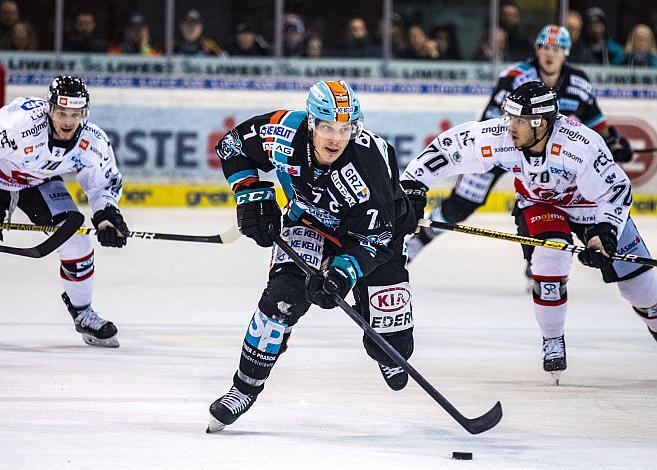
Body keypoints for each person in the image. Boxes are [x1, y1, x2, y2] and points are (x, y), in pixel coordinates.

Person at [400, 81, 657, 382]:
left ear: (541, 124)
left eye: (520, 120)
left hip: (591, 208)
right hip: (539, 203)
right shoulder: (501, 136)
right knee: (550, 256)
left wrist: (605, 233)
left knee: (640, 289)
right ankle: (552, 338)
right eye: (510, 117)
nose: (511, 126)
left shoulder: (579, 144)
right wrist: (412, 187)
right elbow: (450, 147)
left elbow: (615, 190)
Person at [207, 80, 416, 431]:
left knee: (392, 347)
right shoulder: (280, 132)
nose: (335, 138)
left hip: (376, 236)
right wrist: (250, 195)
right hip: (308, 222)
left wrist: (341, 271)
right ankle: (243, 388)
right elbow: (231, 147)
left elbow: (375, 237)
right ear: (310, 122)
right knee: (281, 301)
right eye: (327, 127)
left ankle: (385, 349)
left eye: (345, 128)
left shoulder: (369, 160)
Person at [407, 25, 634, 268]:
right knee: (461, 204)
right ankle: (418, 241)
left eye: (557, 49)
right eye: (545, 47)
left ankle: (540, 255)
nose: (550, 54)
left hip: (551, 157)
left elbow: (595, 123)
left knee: (548, 196)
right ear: (537, 49)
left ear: (566, 53)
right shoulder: (515, 77)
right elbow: (492, 122)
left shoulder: (579, 83)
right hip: (507, 147)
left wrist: (614, 143)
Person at [0, 76, 129, 347]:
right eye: (61, 112)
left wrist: (107, 216)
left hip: (40, 182)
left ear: (84, 113)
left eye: (75, 114)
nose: (67, 121)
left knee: (77, 241)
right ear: (50, 109)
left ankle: (83, 313)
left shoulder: (93, 142)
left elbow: (103, 184)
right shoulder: (17, 127)